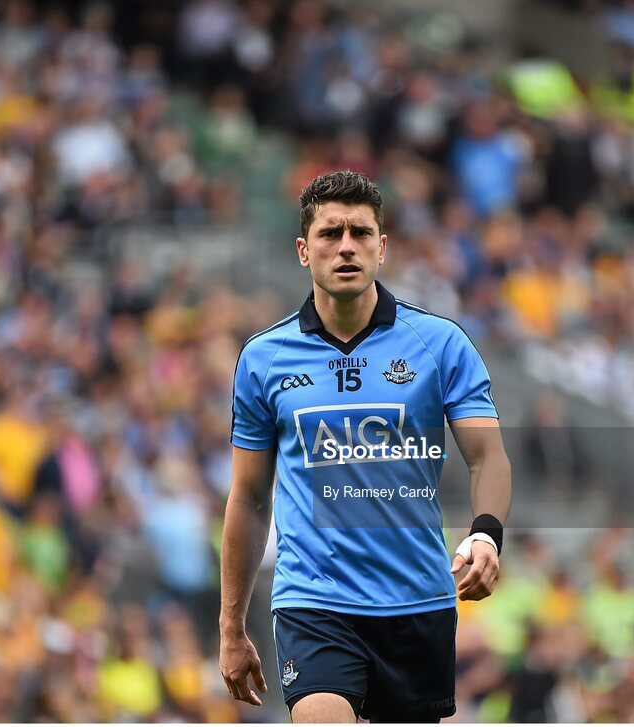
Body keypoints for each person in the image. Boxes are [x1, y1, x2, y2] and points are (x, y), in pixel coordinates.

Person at [218, 170, 512, 722]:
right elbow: (249, 497)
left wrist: (486, 534)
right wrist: (231, 626)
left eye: (360, 232)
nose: (346, 246)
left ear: (383, 247)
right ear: (304, 251)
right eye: (331, 234)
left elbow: (487, 456)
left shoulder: (440, 343)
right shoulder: (264, 359)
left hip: (418, 602)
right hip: (314, 603)